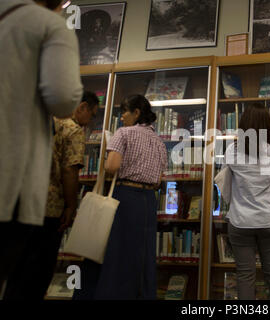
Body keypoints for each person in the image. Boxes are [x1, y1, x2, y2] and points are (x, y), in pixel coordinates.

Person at [0, 0, 83, 291]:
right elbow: (63, 99)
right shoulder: (49, 25)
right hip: (13, 185)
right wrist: (71, 205)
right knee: (29, 277)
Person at [3, 92, 99, 300]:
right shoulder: (73, 130)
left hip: (19, 203)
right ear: (81, 107)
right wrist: (71, 206)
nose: (89, 120)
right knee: (38, 270)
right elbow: (69, 171)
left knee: (17, 269)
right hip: (49, 208)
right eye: (91, 115)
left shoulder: (41, 121)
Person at [73, 94, 167, 300]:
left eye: (125, 111)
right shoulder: (159, 142)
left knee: (114, 252)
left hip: (125, 197)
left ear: (136, 112)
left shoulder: (123, 133)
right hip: (148, 201)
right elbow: (159, 180)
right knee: (141, 255)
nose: (122, 116)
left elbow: (112, 166)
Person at [223, 102, 270, 300]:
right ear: (267, 126)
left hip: (241, 221)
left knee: (245, 275)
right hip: (269, 220)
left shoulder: (231, 152)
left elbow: (227, 178)